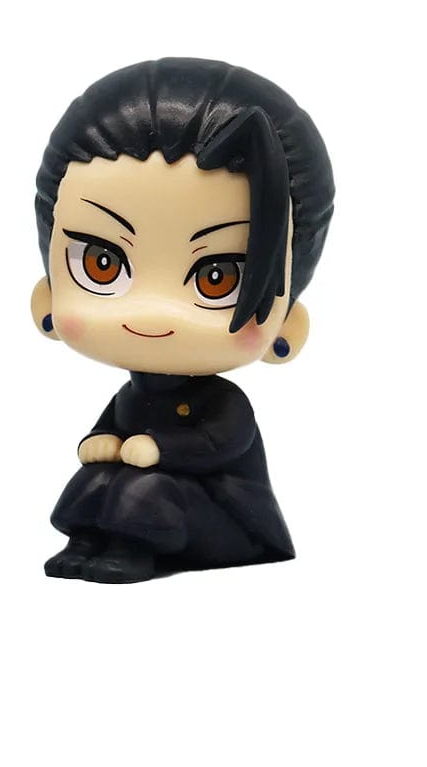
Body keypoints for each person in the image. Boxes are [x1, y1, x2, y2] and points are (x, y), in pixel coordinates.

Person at [31, 58, 334, 582]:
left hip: (226, 519)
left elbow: (218, 443)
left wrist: (160, 449)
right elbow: (111, 429)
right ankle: (86, 542)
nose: (153, 310)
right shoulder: (132, 396)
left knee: (145, 488)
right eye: (103, 264)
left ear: (288, 326)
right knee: (98, 479)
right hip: (164, 496)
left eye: (218, 278)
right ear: (48, 298)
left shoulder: (224, 404)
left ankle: (128, 549)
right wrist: (101, 442)